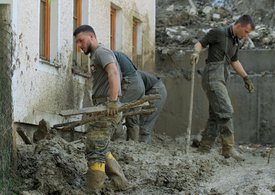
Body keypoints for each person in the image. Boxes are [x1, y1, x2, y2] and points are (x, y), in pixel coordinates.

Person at [190, 15, 255, 161]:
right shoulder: (218, 32)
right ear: (238, 25)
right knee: (226, 110)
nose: (247, 35)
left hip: (222, 77)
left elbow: (234, 61)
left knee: (216, 115)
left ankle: (204, 148)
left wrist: (246, 77)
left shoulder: (235, 42)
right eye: (246, 31)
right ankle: (228, 148)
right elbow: (200, 43)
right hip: (212, 77)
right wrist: (196, 52)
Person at [73, 25, 129, 192]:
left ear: (91, 36)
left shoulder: (102, 52)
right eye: (77, 42)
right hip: (101, 106)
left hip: (107, 107)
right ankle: (120, 182)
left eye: (81, 40)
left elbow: (113, 73)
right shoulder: (96, 55)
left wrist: (112, 102)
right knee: (98, 145)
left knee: (95, 147)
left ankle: (93, 190)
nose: (80, 45)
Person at [113, 51, 145, 141]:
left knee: (116, 112)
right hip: (140, 85)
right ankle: (132, 144)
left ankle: (112, 139)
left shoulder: (108, 56)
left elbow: (116, 76)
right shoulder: (119, 54)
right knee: (133, 117)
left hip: (131, 84)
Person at [137, 70, 167, 144]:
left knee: (144, 125)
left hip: (156, 90)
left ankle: (144, 148)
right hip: (152, 90)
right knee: (143, 124)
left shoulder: (129, 76)